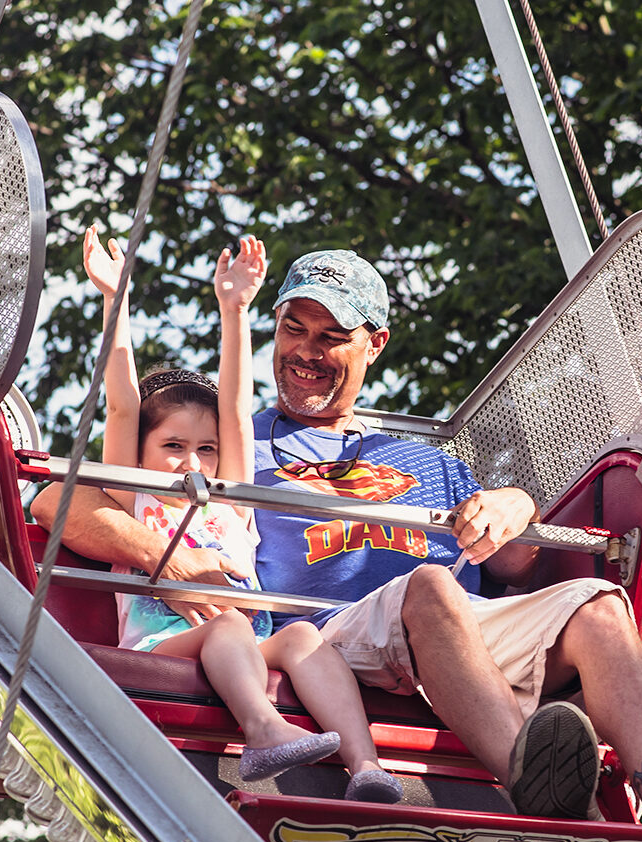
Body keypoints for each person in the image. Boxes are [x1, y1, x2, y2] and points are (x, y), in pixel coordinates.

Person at [34, 246, 642, 828]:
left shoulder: (430, 462)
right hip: (335, 634)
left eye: (330, 336)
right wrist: (167, 563)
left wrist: (510, 503)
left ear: (373, 345)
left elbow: (513, 559)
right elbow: (55, 504)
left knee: (599, 604)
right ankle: (535, 776)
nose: (305, 352)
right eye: (292, 329)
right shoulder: (232, 442)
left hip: (460, 636)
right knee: (429, 588)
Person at [79, 227, 401, 802]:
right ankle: (263, 730)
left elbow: (233, 404)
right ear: (142, 455)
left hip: (249, 642)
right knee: (225, 624)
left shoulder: (230, 502)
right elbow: (124, 401)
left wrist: (235, 311)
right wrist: (114, 300)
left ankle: (365, 765)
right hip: (166, 644)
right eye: (173, 446)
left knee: (303, 634)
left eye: (205, 449)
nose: (191, 461)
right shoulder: (139, 497)